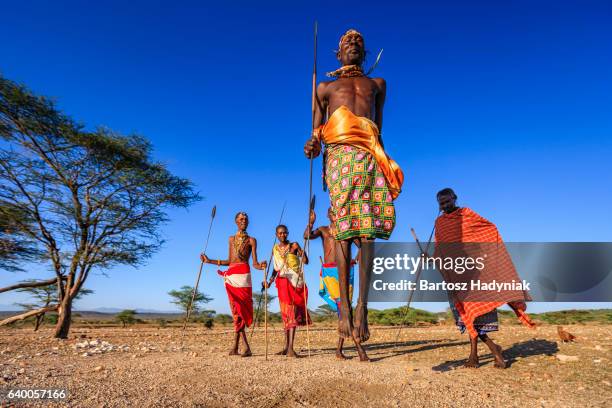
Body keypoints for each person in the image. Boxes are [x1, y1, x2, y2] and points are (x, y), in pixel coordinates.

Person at [303, 29, 404, 360]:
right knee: (344, 229)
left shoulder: (378, 85)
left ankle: (363, 306)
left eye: (358, 42)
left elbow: (380, 129)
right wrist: (312, 145)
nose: (354, 45)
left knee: (370, 231)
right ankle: (344, 308)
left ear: (365, 51)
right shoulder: (325, 88)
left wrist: (385, 163)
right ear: (338, 53)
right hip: (340, 156)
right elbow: (317, 132)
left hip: (371, 156)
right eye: (348, 42)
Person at [435, 188, 535, 368]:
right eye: (441, 204)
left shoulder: (466, 214)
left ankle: (490, 351)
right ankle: (479, 354)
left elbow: (489, 229)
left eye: (447, 201)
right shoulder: (440, 223)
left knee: (474, 314)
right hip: (457, 275)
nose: (445, 206)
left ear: (454, 199)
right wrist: (432, 258)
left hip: (477, 275)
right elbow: (441, 250)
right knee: (467, 316)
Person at [200, 212, 266, 357]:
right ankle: (237, 346)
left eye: (246, 219)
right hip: (232, 275)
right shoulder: (231, 239)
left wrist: (261, 266)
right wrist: (209, 260)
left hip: (244, 276)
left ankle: (243, 347)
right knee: (236, 311)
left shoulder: (252, 240)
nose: (244, 221)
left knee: (241, 309)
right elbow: (229, 260)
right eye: (241, 219)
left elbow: (254, 263)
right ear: (236, 222)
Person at [305, 208, 357, 359]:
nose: (334, 214)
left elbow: (361, 243)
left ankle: (340, 349)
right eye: (332, 212)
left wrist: (357, 258)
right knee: (343, 307)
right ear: (328, 215)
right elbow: (307, 235)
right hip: (330, 271)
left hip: (346, 270)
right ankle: (345, 348)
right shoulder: (323, 230)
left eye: (337, 211)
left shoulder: (347, 229)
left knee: (345, 308)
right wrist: (311, 222)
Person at [265, 225, 310, 357]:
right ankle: (286, 348)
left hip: (294, 282)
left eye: (285, 233)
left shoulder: (294, 245)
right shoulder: (275, 249)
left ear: (288, 233)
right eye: (280, 233)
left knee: (292, 313)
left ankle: (290, 348)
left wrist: (303, 253)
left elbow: (306, 261)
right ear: (276, 235)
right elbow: (275, 268)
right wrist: (270, 281)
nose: (283, 235)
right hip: (282, 282)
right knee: (286, 314)